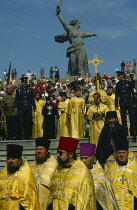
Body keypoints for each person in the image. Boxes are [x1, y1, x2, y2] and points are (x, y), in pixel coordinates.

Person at [48, 136, 96, 209]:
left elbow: (85, 198)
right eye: (57, 152)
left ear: (70, 154)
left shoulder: (82, 171)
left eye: (61, 153)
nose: (58, 155)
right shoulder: (57, 170)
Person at [55, 6, 97, 76]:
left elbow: (88, 34)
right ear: (76, 24)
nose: (80, 25)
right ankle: (74, 78)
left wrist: (92, 33)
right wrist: (59, 14)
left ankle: (82, 78)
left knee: (81, 66)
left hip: (81, 49)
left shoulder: (81, 33)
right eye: (79, 23)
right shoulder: (71, 31)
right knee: (73, 67)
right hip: (73, 50)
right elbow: (64, 23)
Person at [80, 143, 119, 210]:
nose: (83, 161)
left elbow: (106, 198)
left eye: (85, 158)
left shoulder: (100, 174)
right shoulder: (77, 173)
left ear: (92, 158)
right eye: (81, 158)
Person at [0, 144, 39, 209]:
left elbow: (30, 202)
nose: (10, 161)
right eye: (8, 159)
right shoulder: (2, 175)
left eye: (13, 158)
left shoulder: (25, 175)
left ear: (19, 161)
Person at [106, 139, 137, 210]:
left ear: (128, 153)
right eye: (119, 153)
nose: (121, 155)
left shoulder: (135, 167)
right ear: (116, 154)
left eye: (123, 152)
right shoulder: (111, 169)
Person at [30, 137, 58, 210]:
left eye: (41, 149)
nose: (38, 151)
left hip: (48, 203)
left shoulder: (55, 165)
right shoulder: (30, 166)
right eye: (37, 149)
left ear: (47, 151)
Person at [115, 71, 136, 136]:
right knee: (123, 118)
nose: (118, 77)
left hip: (129, 100)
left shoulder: (129, 83)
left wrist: (134, 102)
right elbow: (117, 95)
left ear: (122, 76)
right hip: (122, 101)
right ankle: (125, 132)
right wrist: (116, 104)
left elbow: (133, 93)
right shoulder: (118, 84)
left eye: (119, 76)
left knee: (131, 117)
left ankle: (133, 131)